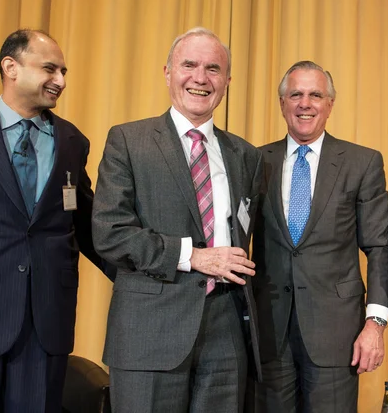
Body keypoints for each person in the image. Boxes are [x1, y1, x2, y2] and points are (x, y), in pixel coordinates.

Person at [92, 27, 263, 413]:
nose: (200, 78)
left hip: (226, 332)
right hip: (148, 330)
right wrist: (194, 256)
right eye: (189, 65)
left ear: (228, 82)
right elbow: (110, 233)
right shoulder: (128, 141)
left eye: (213, 69)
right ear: (168, 71)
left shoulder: (245, 156)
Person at [0, 29, 113, 412]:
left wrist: (144, 279)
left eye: (63, 71)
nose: (60, 81)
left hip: (45, 324)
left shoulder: (72, 141)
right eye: (49, 69)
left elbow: (85, 224)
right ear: (11, 67)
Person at [251, 60, 388, 412]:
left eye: (316, 95)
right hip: (268, 332)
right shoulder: (254, 161)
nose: (305, 103)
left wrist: (375, 324)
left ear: (330, 104)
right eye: (296, 94)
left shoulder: (361, 163)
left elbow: (380, 247)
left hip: (337, 334)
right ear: (282, 103)